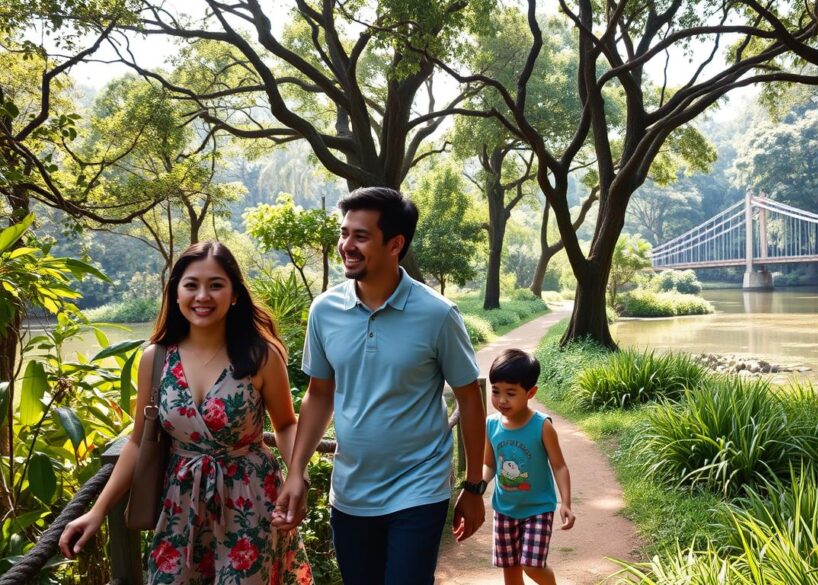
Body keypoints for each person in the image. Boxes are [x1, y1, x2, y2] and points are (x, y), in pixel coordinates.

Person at [59, 242, 312, 584]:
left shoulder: (261, 355)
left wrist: (297, 475)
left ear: (234, 294)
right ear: (176, 292)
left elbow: (284, 425)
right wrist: (97, 510)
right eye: (191, 285)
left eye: (216, 285)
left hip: (249, 499)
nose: (202, 296)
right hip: (179, 502)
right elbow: (137, 442)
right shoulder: (157, 358)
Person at [272, 186, 487, 585]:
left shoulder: (437, 315)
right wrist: (296, 471)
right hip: (351, 490)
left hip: (419, 488)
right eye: (344, 233)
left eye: (360, 236)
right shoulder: (325, 310)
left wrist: (473, 486)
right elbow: (320, 393)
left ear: (396, 244)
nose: (346, 245)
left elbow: (469, 399)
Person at [484, 348, 574, 585]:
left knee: (531, 566)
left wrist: (566, 503)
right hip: (504, 510)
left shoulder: (541, 426)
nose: (502, 400)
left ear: (531, 392)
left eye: (511, 393)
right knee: (510, 570)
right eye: (496, 391)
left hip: (538, 510)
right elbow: (489, 464)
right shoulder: (491, 424)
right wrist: (477, 485)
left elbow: (559, 466)